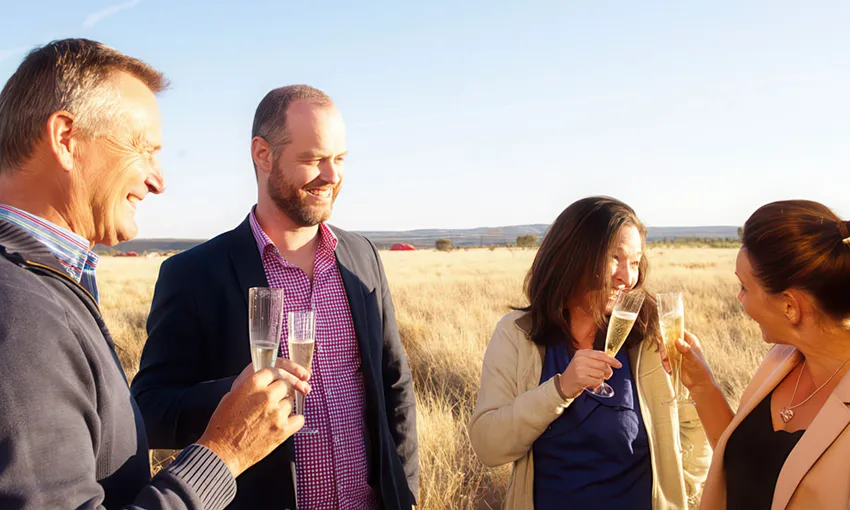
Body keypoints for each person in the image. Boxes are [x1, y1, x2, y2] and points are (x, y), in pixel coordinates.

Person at [0, 39, 304, 509]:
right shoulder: (18, 308)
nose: (158, 179)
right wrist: (222, 455)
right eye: (142, 149)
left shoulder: (45, 279)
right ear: (66, 139)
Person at [130, 85, 419, 509]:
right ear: (262, 155)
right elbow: (150, 410)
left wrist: (405, 491)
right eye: (312, 159)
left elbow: (395, 384)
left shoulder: (362, 257)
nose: (332, 175)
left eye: (339, 159)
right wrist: (238, 396)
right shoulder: (194, 274)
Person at [469, 196, 711, 510]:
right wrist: (559, 389)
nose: (628, 276)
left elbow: (695, 424)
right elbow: (488, 447)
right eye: (615, 258)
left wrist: (676, 490)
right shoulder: (517, 333)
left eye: (635, 262)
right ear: (574, 256)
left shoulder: (650, 338)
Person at [672, 200, 850, 510]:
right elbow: (742, 462)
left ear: (789, 306)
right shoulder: (780, 360)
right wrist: (701, 385)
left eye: (744, 287)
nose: (739, 299)